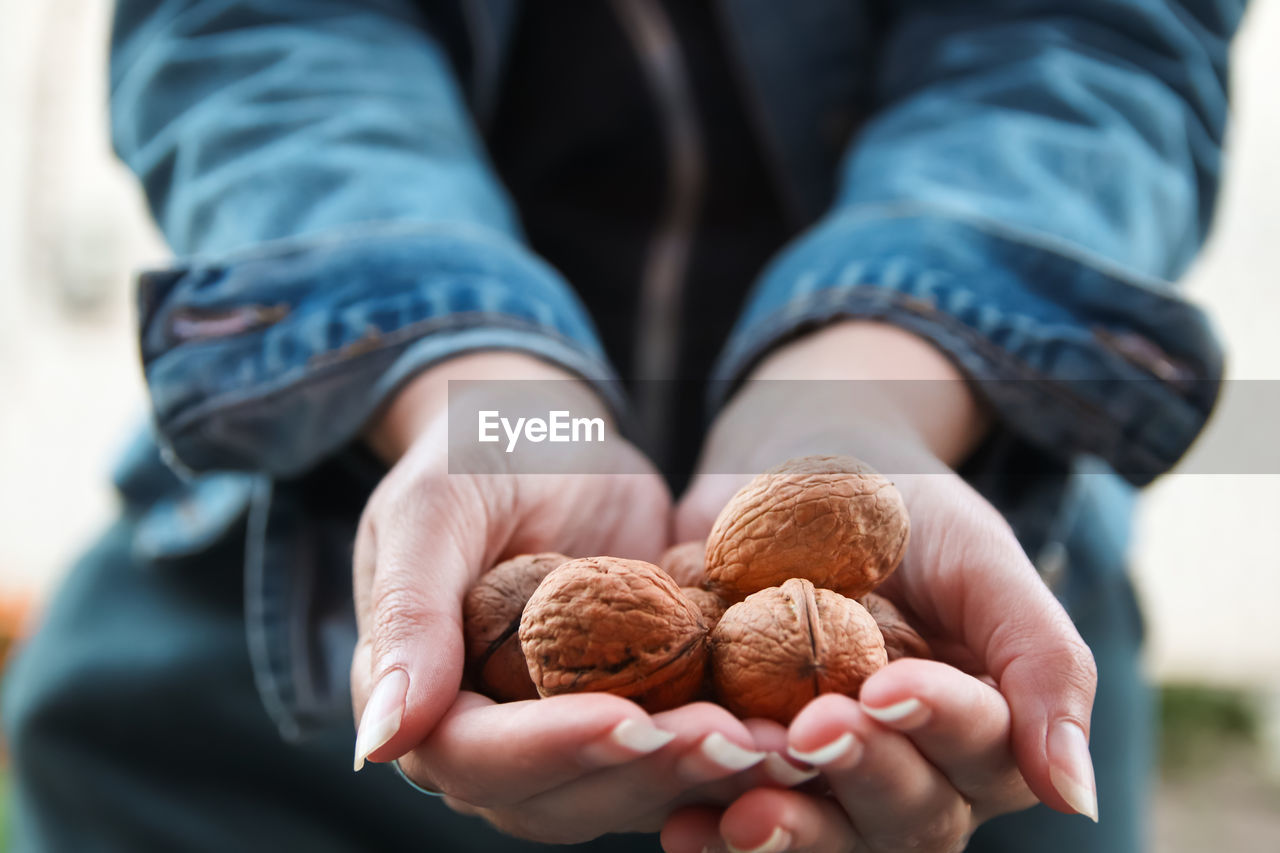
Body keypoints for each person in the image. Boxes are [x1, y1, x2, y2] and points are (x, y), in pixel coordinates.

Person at [3, 1, 1244, 851]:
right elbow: (258, 34)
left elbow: (1089, 42)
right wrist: (481, 401)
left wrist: (863, 394)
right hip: (280, 634)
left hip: (954, 616)